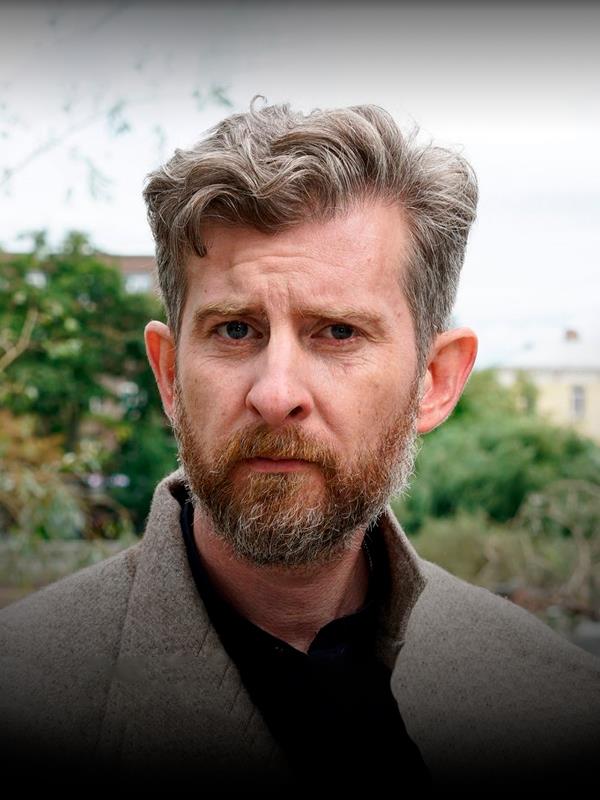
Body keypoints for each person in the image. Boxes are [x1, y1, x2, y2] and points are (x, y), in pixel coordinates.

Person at [1, 101, 598, 794]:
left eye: (338, 332)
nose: (276, 393)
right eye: (234, 330)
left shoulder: (555, 706)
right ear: (169, 375)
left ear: (433, 383)